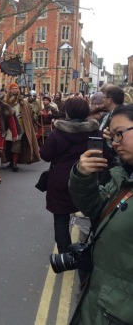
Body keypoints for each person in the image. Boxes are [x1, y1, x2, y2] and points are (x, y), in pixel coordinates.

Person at [68, 103, 133, 325]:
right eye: (111, 136)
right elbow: (96, 209)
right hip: (104, 301)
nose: (114, 144)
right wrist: (83, 175)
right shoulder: (123, 175)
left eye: (119, 134)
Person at [40, 98, 100, 255]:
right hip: (86, 179)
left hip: (60, 180)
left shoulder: (57, 133)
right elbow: (101, 156)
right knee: (93, 215)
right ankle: (91, 250)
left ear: (67, 112)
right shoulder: (94, 132)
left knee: (61, 218)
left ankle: (66, 255)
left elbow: (45, 155)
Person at [3, 83, 40, 171]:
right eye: (13, 88)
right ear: (10, 90)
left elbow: (26, 112)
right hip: (8, 125)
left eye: (16, 88)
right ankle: (11, 161)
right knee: (8, 144)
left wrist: (27, 107)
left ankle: (15, 163)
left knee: (17, 144)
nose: (15, 90)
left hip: (19, 124)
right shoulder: (6, 100)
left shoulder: (22, 101)